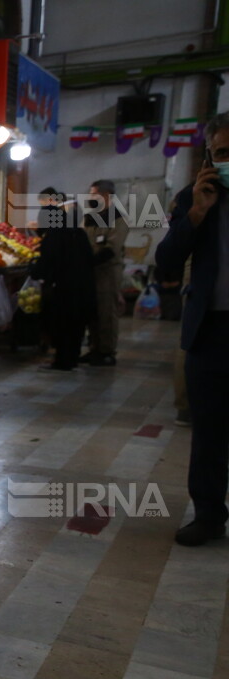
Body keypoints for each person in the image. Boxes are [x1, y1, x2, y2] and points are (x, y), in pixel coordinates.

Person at [155, 111, 229, 547]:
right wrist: (197, 213)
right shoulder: (193, 199)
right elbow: (165, 262)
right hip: (211, 332)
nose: (227, 160)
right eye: (222, 153)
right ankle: (208, 515)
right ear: (208, 156)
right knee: (209, 431)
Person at [30, 201, 95, 371]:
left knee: (62, 326)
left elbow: (47, 264)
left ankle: (62, 361)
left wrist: (34, 270)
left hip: (64, 289)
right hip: (83, 288)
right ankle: (72, 358)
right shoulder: (79, 233)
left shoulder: (54, 237)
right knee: (76, 326)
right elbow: (90, 259)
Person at [82, 179, 129, 366]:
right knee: (92, 311)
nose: (90, 197)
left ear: (106, 195)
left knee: (106, 311)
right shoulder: (91, 218)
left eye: (94, 194)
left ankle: (107, 351)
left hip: (107, 271)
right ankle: (94, 348)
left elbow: (112, 248)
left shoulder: (118, 219)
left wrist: (88, 262)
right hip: (90, 271)